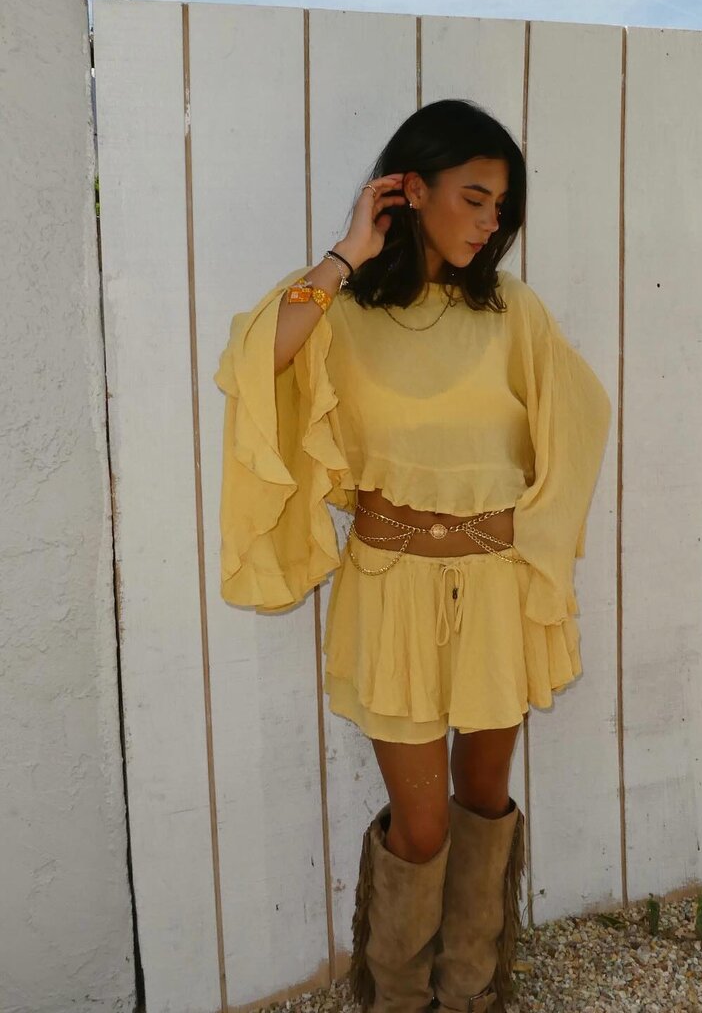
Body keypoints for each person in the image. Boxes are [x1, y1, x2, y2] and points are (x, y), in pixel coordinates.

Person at [213, 98, 611, 1012]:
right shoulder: (341, 312)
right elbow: (256, 363)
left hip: (496, 587)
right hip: (391, 588)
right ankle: (396, 996)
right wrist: (347, 251)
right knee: (423, 827)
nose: (488, 223)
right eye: (473, 197)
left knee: (484, 799)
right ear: (411, 188)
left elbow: (578, 422)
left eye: (500, 207)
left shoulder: (512, 312)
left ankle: (471, 991)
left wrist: (537, 544)